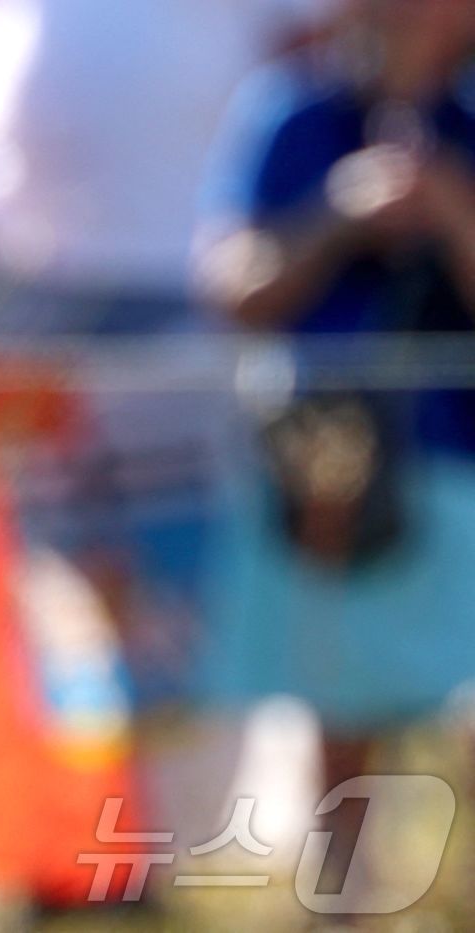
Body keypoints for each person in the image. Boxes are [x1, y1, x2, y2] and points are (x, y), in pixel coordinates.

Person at [195, 0, 475, 903]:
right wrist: (342, 213)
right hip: (328, 472)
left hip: (458, 462)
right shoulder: (293, 113)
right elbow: (231, 286)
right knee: (343, 713)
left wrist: (447, 208)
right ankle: (345, 910)